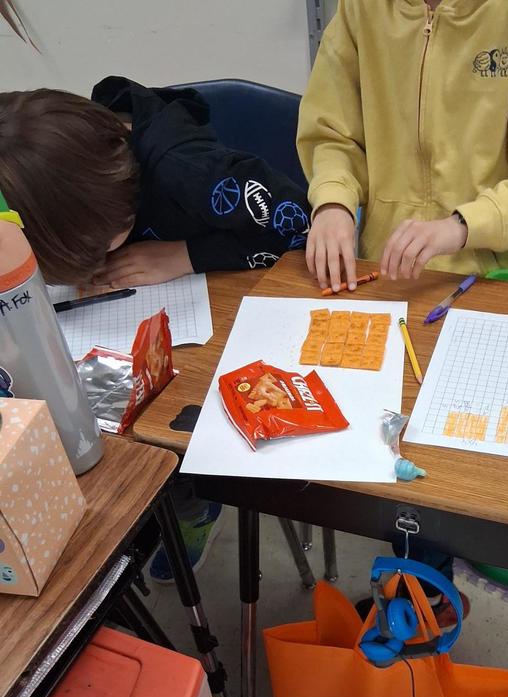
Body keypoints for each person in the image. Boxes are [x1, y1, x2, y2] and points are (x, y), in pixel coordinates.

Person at [297, 0, 508, 626]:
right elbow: (333, 134)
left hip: (493, 275)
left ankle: (431, 578)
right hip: (391, 272)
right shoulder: (361, 11)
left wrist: (464, 224)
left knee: (456, 456)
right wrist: (333, 202)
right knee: (395, 440)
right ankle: (418, 579)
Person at [0, 78, 311, 582]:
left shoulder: (190, 174)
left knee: (172, 419)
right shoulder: (59, 165)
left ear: (114, 214)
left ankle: (194, 505)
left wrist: (185, 255)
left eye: (93, 249)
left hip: (225, 305)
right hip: (137, 310)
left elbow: (301, 229)